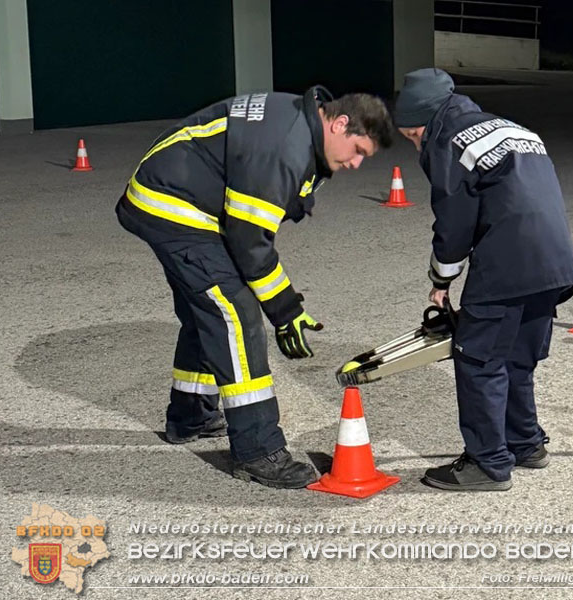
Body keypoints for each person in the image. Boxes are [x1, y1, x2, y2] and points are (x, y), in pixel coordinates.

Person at [116, 86, 393, 489]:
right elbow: (250, 243)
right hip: (174, 206)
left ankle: (189, 416)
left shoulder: (298, 121)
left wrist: (285, 307)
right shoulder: (283, 148)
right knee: (236, 314)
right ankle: (258, 450)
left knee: (206, 310)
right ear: (339, 123)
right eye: (358, 152)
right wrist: (286, 312)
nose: (354, 164)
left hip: (176, 192)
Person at [393, 68, 573, 492]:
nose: (415, 144)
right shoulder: (516, 129)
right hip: (556, 261)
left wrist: (441, 279)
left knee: (477, 358)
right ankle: (526, 444)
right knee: (517, 356)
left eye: (412, 136)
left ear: (427, 119)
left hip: (508, 262)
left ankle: (488, 463)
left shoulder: (449, 139)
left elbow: (455, 220)